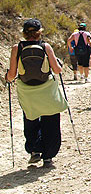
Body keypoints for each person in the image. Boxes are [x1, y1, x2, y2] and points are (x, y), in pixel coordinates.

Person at [6, 19, 67, 168]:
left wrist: (6, 76)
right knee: (51, 119)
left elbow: (12, 75)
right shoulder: (45, 46)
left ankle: (34, 150)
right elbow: (57, 70)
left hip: (27, 91)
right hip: (46, 89)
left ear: (25, 33)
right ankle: (48, 156)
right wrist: (60, 64)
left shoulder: (17, 48)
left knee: (30, 118)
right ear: (39, 32)